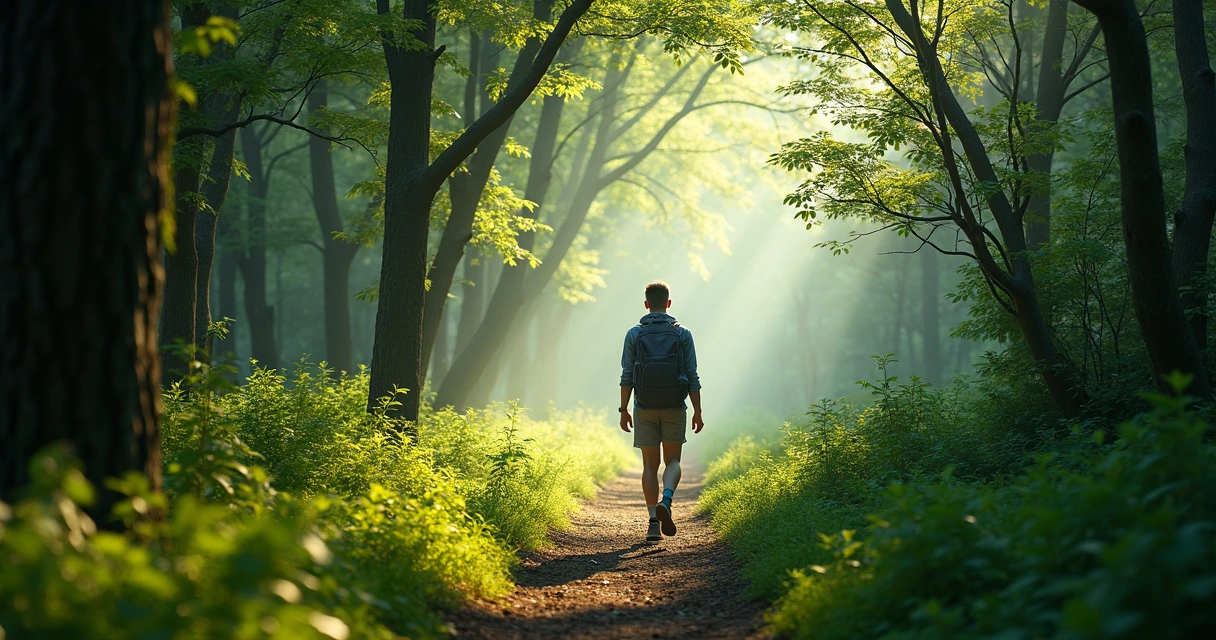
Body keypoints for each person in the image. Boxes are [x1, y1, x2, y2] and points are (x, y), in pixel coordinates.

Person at [618, 280, 704, 542]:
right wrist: (698, 411)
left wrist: (624, 410)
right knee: (673, 461)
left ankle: (653, 522)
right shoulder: (683, 334)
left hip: (643, 406)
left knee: (649, 465)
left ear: (646, 304)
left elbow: (627, 375)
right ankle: (667, 499)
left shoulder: (634, 334)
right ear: (669, 303)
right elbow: (692, 375)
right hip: (675, 405)